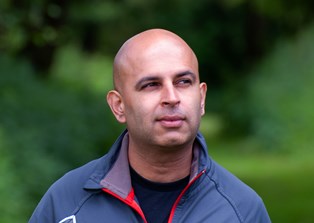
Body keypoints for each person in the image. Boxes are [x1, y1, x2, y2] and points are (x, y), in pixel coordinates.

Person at [29, 28, 271, 223]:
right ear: (118, 105)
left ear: (202, 98)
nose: (172, 97)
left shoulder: (242, 210)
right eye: (151, 85)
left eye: (183, 81)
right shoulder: (65, 203)